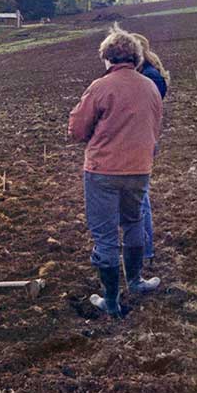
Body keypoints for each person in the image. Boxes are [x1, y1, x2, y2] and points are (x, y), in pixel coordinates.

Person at [68, 24, 163, 318]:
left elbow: (76, 129)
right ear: (135, 57)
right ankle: (135, 281)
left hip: (103, 171)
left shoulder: (100, 87)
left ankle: (111, 301)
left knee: (106, 236)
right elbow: (154, 128)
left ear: (108, 58)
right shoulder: (151, 86)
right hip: (139, 169)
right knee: (134, 223)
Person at [132, 33, 170, 264]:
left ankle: (145, 250)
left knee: (140, 198)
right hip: (141, 140)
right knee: (138, 197)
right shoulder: (147, 74)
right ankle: (141, 247)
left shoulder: (150, 77)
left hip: (140, 142)